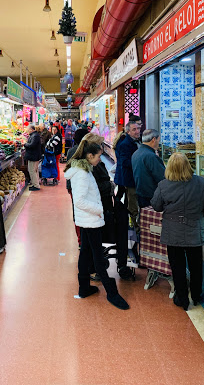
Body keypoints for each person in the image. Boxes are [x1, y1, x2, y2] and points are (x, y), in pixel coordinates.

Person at [64, 140, 129, 310]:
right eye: (98, 156)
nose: (100, 159)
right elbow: (79, 201)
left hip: (88, 219)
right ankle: (112, 294)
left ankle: (84, 287)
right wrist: (99, 209)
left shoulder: (84, 170)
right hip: (90, 220)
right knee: (98, 258)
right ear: (89, 155)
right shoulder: (82, 174)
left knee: (86, 253)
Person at [151, 153, 204, 311]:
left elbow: (156, 205)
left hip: (173, 233)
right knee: (196, 266)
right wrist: (200, 216)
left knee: (177, 267)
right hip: (194, 230)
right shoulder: (200, 182)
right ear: (188, 166)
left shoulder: (163, 185)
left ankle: (182, 299)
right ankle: (196, 296)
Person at [83, 133, 134, 281]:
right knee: (109, 233)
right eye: (99, 146)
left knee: (122, 223)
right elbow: (93, 188)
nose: (101, 149)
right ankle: (102, 266)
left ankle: (121, 261)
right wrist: (110, 185)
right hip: (100, 208)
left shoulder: (97, 164)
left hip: (107, 205)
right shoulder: (88, 166)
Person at [66, 128, 89, 245]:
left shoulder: (71, 151)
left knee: (77, 210)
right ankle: (84, 239)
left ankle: (80, 239)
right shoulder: (86, 152)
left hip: (73, 186)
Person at [132, 129, 165, 208]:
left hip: (141, 193)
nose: (158, 143)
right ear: (154, 139)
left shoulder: (136, 153)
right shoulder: (151, 156)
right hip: (151, 196)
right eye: (158, 140)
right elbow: (162, 177)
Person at [114, 121, 140, 220]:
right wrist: (139, 164)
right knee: (132, 205)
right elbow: (125, 162)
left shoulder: (137, 141)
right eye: (134, 129)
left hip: (134, 178)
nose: (137, 131)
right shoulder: (125, 144)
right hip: (130, 179)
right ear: (128, 131)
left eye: (138, 128)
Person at [24, 125, 41, 191]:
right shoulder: (34, 135)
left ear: (31, 129)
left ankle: (36, 185)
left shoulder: (35, 136)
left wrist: (25, 144)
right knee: (34, 170)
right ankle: (36, 184)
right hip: (34, 156)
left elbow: (32, 145)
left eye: (28, 129)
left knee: (32, 170)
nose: (28, 131)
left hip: (33, 156)